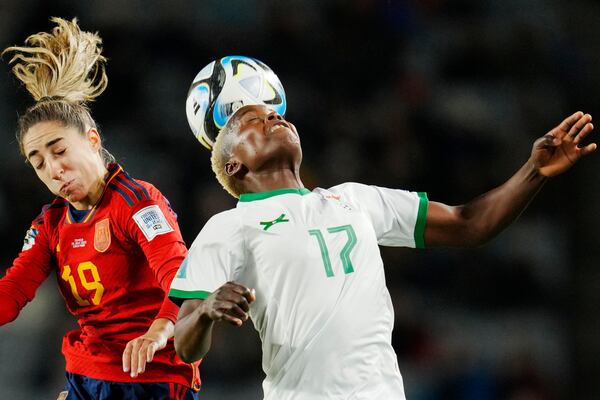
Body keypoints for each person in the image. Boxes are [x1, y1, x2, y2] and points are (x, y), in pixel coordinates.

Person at [168, 96, 595, 399]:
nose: (274, 118)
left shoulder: (354, 198)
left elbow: (470, 224)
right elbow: (185, 345)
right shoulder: (228, 225)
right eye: (252, 120)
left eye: (274, 113)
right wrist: (206, 311)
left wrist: (533, 171)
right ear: (233, 165)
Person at [0, 18, 200, 399]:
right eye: (38, 162)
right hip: (86, 376)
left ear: (92, 140)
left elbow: (179, 273)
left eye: (59, 151)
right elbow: (13, 290)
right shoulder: (51, 223)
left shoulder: (135, 201)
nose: (54, 169)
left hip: (150, 377)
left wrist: (160, 330)